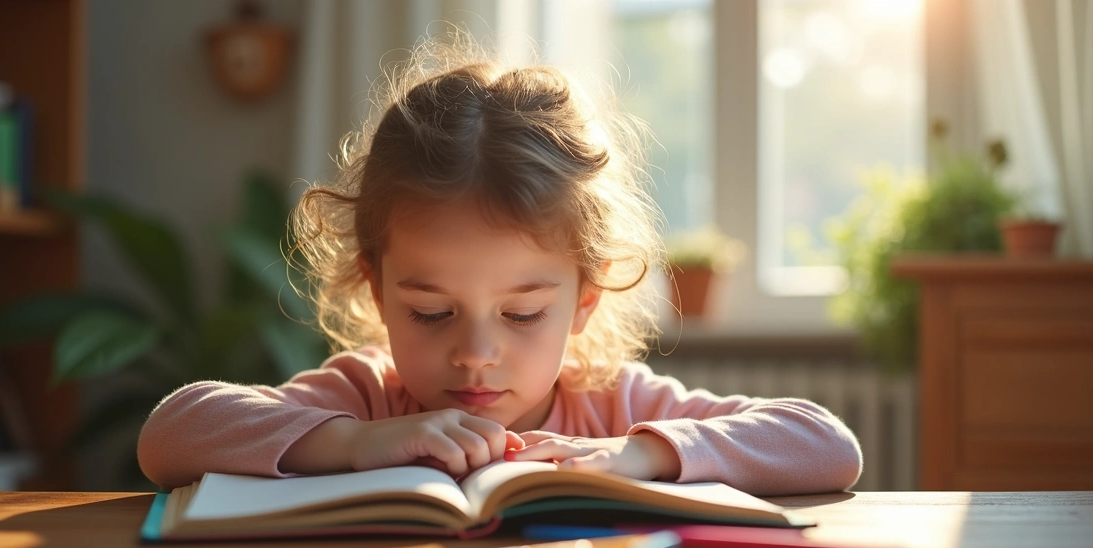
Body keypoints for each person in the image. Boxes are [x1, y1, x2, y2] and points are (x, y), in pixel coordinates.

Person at [138, 34, 862, 496]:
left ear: (585, 296)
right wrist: (355, 441)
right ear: (377, 286)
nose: (476, 355)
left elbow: (827, 446)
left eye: (522, 314)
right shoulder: (365, 397)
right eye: (430, 312)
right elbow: (171, 434)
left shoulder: (617, 407)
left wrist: (639, 457)